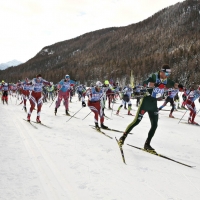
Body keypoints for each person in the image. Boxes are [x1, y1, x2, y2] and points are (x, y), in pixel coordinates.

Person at [118, 64, 183, 151]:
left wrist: (179, 86)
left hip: (153, 103)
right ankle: (123, 137)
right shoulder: (154, 76)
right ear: (162, 71)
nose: (168, 75)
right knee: (136, 121)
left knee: (155, 125)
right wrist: (155, 84)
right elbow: (145, 83)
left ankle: (147, 144)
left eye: (169, 73)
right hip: (146, 101)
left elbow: (173, 84)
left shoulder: (166, 80)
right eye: (167, 73)